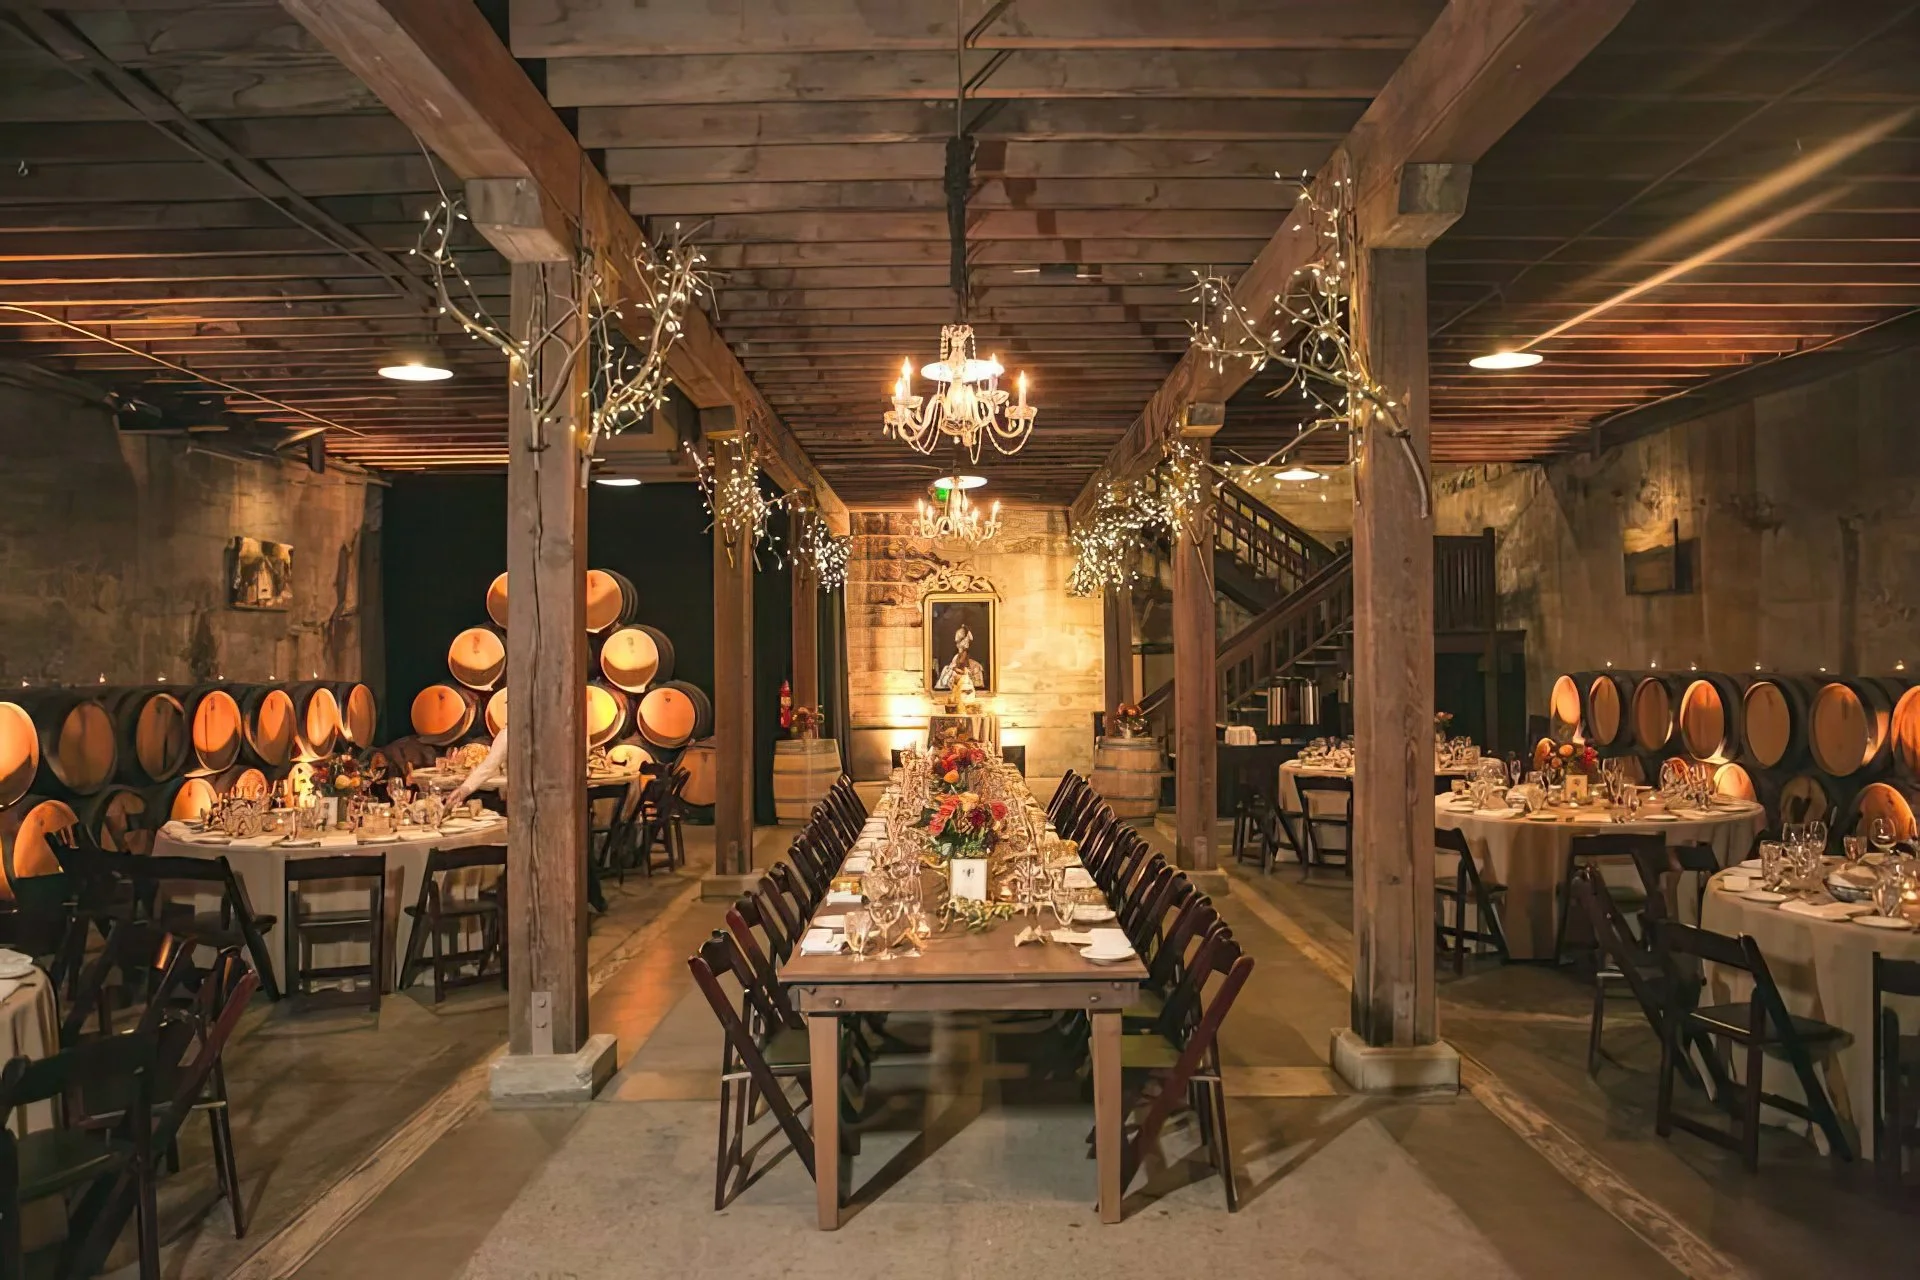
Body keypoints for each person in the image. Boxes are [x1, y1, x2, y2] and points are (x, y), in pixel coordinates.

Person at [448, 727, 608, 913]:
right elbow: (488, 766)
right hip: (525, 807)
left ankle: (575, 908)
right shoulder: (509, 733)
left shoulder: (569, 726)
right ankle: (530, 910)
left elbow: (580, 765)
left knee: (571, 857)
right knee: (530, 861)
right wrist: (464, 790)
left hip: (562, 804)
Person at [934, 622, 987, 692]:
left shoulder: (972, 662)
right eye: (957, 642)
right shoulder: (957, 656)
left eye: (960, 640)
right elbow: (958, 663)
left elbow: (962, 663)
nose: (958, 644)